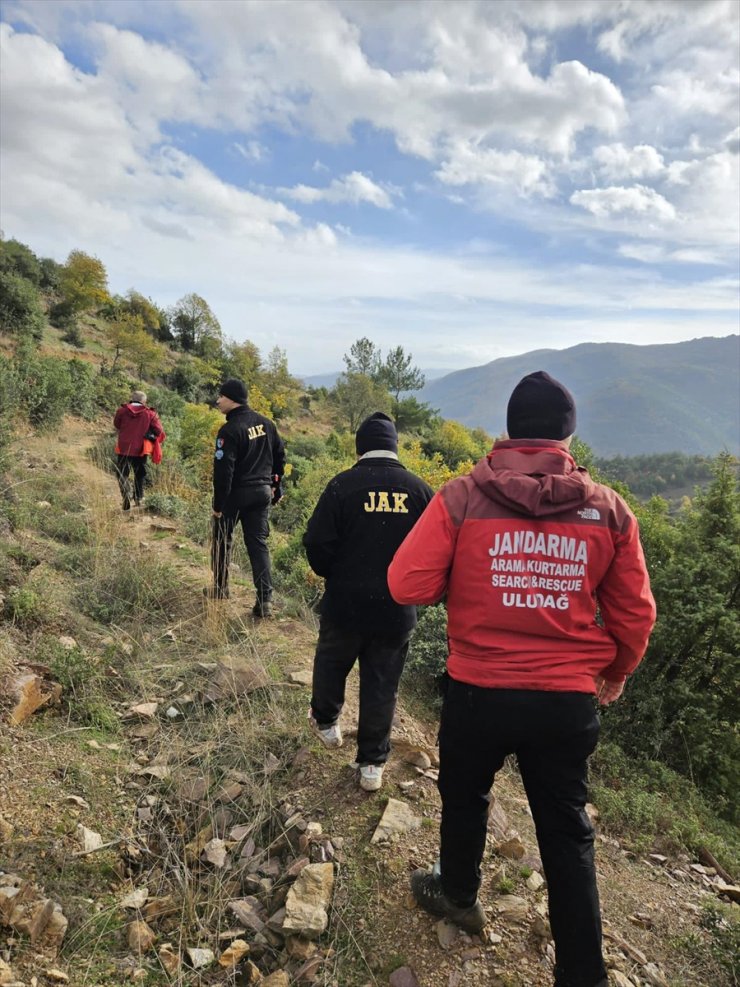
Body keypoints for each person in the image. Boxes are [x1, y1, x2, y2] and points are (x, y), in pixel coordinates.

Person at [388, 371, 656, 986]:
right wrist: (615, 672)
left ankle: (457, 894)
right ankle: (582, 974)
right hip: (565, 700)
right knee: (566, 831)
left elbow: (406, 584)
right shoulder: (610, 511)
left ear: (508, 431)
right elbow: (635, 614)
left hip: (478, 691)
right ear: (568, 434)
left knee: (464, 795)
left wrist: (462, 578)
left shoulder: (459, 498)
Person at [303, 412, 434, 792]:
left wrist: (335, 574)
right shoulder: (420, 491)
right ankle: (372, 765)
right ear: (395, 447)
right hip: (396, 611)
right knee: (382, 684)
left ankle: (327, 725)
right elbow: (438, 553)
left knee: (331, 663)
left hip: (345, 604)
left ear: (360, 447)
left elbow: (316, 543)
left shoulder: (342, 485)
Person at [208, 378, 285, 618]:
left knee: (222, 539)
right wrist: (276, 487)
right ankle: (265, 601)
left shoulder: (229, 430)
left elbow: (224, 472)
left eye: (221, 396)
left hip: (235, 495)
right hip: (261, 493)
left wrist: (218, 505)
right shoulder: (266, 424)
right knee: (258, 546)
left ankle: (220, 588)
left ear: (232, 399)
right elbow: (280, 457)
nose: (217, 400)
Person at [113, 390, 164, 511]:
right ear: (143, 401)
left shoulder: (121, 411)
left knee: (122, 474)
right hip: (140, 449)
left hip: (123, 447)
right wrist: (149, 433)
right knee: (139, 474)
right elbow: (159, 430)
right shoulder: (150, 414)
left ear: (132, 398)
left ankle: (125, 495)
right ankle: (138, 497)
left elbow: (117, 425)